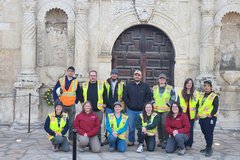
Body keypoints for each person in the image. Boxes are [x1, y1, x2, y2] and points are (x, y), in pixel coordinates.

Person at [123, 70, 152, 146]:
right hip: (131, 110)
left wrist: (144, 105)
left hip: (141, 111)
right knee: (131, 127)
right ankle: (131, 140)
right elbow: (125, 97)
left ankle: (140, 141)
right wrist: (129, 105)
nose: (137, 76)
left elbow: (148, 96)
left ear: (141, 76)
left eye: (138, 75)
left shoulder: (145, 86)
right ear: (133, 76)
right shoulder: (129, 85)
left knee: (141, 127)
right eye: (135, 75)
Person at [52, 66, 80, 143]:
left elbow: (78, 92)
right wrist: (57, 101)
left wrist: (76, 101)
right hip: (62, 105)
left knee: (71, 123)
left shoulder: (76, 81)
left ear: (73, 73)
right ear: (67, 72)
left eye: (72, 71)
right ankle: (59, 138)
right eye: (69, 71)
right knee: (60, 122)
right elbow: (54, 91)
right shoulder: (61, 80)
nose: (70, 72)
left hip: (71, 105)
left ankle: (71, 139)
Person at [80, 70, 105, 143]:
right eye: (91, 76)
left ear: (96, 76)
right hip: (87, 110)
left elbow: (105, 95)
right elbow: (81, 95)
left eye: (94, 76)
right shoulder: (84, 85)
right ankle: (87, 141)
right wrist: (82, 104)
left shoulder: (101, 84)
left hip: (98, 109)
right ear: (89, 77)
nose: (93, 77)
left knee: (98, 125)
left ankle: (98, 141)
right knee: (87, 125)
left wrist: (104, 106)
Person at [152, 73, 176, 148]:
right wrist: (153, 104)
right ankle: (160, 140)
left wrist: (168, 104)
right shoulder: (154, 88)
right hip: (157, 110)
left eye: (163, 78)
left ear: (165, 80)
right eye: (160, 78)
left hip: (166, 110)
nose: (162, 80)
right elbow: (151, 97)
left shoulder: (170, 88)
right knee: (158, 125)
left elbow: (173, 97)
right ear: (158, 80)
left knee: (164, 124)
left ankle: (165, 140)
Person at [102, 68, 125, 145]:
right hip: (108, 106)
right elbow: (104, 94)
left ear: (117, 75)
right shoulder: (106, 83)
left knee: (118, 123)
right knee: (108, 123)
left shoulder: (122, 84)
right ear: (111, 75)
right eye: (113, 74)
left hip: (118, 107)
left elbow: (124, 95)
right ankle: (107, 137)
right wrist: (104, 104)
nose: (114, 75)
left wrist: (122, 105)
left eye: (115, 74)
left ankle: (118, 137)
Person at [198, 80, 219, 157]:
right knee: (205, 132)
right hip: (202, 117)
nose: (206, 87)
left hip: (210, 118)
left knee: (209, 133)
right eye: (205, 86)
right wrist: (197, 113)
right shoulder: (201, 95)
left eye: (208, 86)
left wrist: (211, 114)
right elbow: (198, 105)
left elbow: (216, 106)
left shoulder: (214, 96)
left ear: (211, 87)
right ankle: (207, 146)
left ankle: (209, 148)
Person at [177, 78, 200, 149]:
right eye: (187, 83)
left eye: (190, 83)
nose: (189, 84)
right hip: (183, 114)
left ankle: (189, 144)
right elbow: (178, 103)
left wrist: (197, 114)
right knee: (182, 129)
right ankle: (182, 143)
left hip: (191, 115)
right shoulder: (180, 92)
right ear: (185, 84)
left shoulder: (196, 93)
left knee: (190, 129)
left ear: (192, 84)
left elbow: (198, 105)